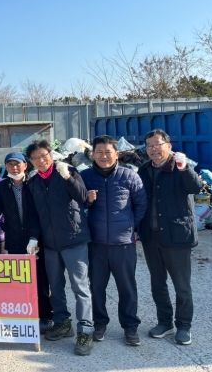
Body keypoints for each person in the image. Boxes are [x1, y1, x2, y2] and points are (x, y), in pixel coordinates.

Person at [25, 140, 93, 356]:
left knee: (80, 287)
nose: (41, 161)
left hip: (74, 240)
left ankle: (85, 330)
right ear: (31, 162)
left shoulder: (67, 171)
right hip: (50, 244)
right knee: (55, 286)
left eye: (44, 155)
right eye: (36, 158)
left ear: (51, 154)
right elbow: (33, 215)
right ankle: (63, 322)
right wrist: (34, 238)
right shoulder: (33, 182)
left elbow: (83, 197)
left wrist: (68, 178)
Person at [81, 135, 147, 346]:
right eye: (99, 152)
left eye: (108, 152)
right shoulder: (84, 177)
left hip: (123, 244)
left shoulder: (130, 176)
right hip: (96, 244)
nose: (104, 156)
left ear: (116, 154)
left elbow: (141, 205)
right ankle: (99, 323)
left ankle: (130, 326)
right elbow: (76, 206)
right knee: (96, 288)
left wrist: (131, 226)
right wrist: (87, 201)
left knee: (127, 288)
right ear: (92, 154)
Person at [138, 129, 202, 346]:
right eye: (149, 145)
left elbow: (196, 187)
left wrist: (185, 169)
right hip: (151, 236)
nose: (153, 149)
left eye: (158, 144)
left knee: (181, 285)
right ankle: (164, 322)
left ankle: (184, 326)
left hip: (177, 237)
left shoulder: (179, 166)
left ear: (169, 145)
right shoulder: (144, 170)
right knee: (157, 283)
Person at [0, 152, 53, 333]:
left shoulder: (34, 184)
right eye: (10, 164)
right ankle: (24, 316)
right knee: (20, 281)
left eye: (17, 164)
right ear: (6, 167)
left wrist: (35, 237)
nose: (14, 168)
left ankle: (45, 315)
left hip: (36, 240)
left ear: (25, 165)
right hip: (15, 241)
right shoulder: (1, 187)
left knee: (40, 279)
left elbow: (40, 213)